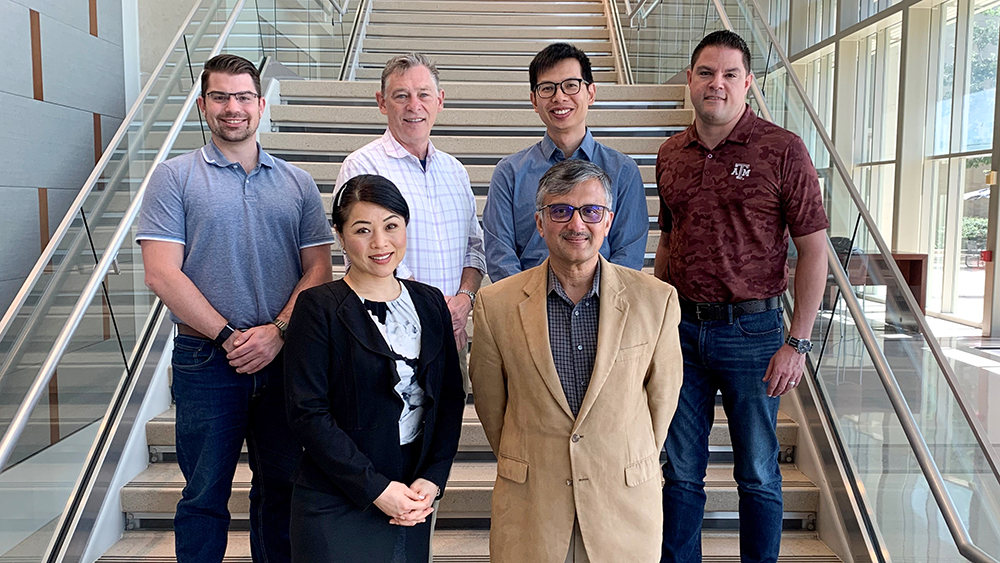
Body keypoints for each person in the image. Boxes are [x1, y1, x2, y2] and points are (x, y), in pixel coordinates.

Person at [136, 54, 334, 562]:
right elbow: (161, 272)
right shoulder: (173, 178)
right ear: (203, 105)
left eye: (244, 96)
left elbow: (318, 270)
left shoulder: (297, 183)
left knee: (283, 491)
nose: (233, 108)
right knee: (204, 497)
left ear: (261, 105)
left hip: (284, 359)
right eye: (220, 96)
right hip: (206, 361)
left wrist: (277, 332)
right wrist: (230, 336)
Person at [654, 30, 829, 563]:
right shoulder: (671, 154)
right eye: (706, 73)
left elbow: (814, 250)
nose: (717, 84)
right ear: (689, 80)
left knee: (757, 472)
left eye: (730, 74)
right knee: (680, 471)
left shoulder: (782, 149)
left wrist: (797, 341)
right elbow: (667, 242)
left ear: (747, 83)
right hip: (682, 333)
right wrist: (659, 325)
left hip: (754, 335)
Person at [470, 159, 683, 562]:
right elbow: (491, 407)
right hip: (533, 504)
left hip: (621, 503)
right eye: (560, 210)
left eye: (591, 211)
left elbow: (663, 400)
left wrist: (617, 450)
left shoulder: (655, 300)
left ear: (608, 221)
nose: (576, 224)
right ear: (540, 222)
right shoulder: (495, 305)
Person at [283, 174, 465, 563]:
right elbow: (307, 414)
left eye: (391, 226)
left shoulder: (430, 301)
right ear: (340, 235)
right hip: (336, 498)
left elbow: (450, 398)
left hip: (411, 495)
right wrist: (377, 490)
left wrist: (433, 479)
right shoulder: (318, 307)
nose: (380, 243)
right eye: (363, 230)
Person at [335, 53, 485, 362]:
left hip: (450, 335)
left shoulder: (455, 171)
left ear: (440, 100)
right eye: (401, 96)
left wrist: (464, 301)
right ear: (382, 102)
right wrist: (429, 308)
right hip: (384, 338)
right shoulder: (363, 167)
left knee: (448, 411)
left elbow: (474, 248)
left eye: (423, 95)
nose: (414, 106)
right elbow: (361, 252)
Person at [482, 42, 647, 283]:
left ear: (590, 93)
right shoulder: (510, 173)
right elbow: (500, 254)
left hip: (604, 306)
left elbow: (629, 254)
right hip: (527, 306)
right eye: (547, 88)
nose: (559, 97)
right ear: (534, 100)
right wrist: (526, 302)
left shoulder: (622, 171)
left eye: (571, 85)